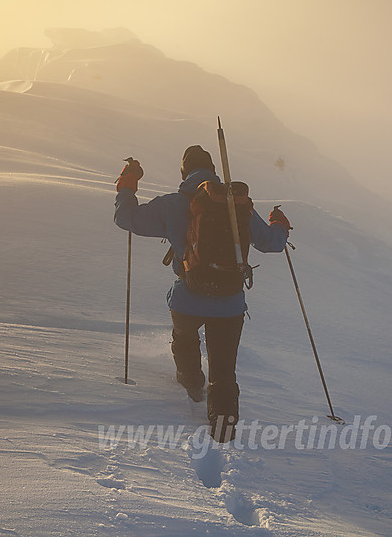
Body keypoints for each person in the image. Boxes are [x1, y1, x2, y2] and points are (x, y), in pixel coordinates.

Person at [113, 145, 290, 442]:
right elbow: (272, 243)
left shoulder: (172, 204)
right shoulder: (237, 206)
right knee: (223, 370)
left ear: (184, 173)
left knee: (184, 339)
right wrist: (280, 224)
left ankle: (191, 384)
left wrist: (127, 185)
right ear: (214, 172)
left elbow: (126, 219)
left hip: (187, 299)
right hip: (230, 304)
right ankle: (223, 434)